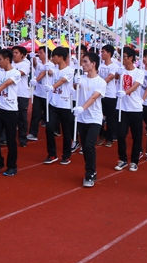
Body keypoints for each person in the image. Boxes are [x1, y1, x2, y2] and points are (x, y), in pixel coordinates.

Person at [72, 52, 106, 187]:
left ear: (93, 64)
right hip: (82, 119)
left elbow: (93, 97)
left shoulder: (101, 82)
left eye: (85, 62)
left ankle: (90, 173)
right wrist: (75, 83)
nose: (83, 64)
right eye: (82, 61)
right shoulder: (81, 78)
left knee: (89, 145)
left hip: (94, 118)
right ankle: (90, 169)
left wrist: (82, 108)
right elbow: (75, 89)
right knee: (85, 147)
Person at [0, 48, 21, 176]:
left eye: (0, 59)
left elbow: (6, 84)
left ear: (7, 59)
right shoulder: (0, 72)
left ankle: (12, 166)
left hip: (10, 111)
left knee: (11, 140)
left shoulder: (15, 73)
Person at [114, 46, 145, 172]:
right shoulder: (121, 70)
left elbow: (136, 85)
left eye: (124, 57)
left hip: (135, 108)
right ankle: (122, 159)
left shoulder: (139, 72)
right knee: (121, 135)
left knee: (136, 136)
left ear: (131, 58)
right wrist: (118, 73)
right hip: (122, 108)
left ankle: (134, 161)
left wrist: (125, 93)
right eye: (121, 57)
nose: (122, 59)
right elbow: (116, 78)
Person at [43, 47, 74, 165]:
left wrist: (52, 87)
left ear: (61, 57)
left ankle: (66, 155)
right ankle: (52, 154)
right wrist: (45, 67)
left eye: (54, 56)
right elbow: (49, 72)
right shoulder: (54, 69)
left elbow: (62, 81)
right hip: (53, 104)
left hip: (65, 105)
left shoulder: (69, 71)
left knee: (66, 131)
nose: (52, 59)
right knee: (49, 128)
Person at [98, 45, 120, 146]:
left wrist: (98, 84)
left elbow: (109, 77)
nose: (102, 54)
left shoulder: (114, 66)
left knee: (110, 118)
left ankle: (109, 138)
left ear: (109, 53)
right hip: (100, 94)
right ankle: (102, 134)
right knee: (99, 116)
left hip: (110, 94)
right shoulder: (100, 65)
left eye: (103, 52)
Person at [28, 46, 50, 142]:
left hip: (47, 94)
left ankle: (51, 131)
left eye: (41, 52)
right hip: (38, 93)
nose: (39, 54)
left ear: (46, 54)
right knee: (35, 114)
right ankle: (33, 133)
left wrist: (36, 80)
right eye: (38, 52)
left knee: (48, 115)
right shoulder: (39, 63)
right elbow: (35, 65)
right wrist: (32, 57)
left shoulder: (50, 65)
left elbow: (44, 73)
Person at [12, 46, 32, 148]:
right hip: (11, 94)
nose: (14, 54)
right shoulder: (10, 64)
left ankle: (22, 139)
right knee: (10, 117)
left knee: (22, 118)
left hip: (22, 95)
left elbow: (20, 73)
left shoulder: (25, 64)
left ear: (22, 55)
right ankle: (6, 138)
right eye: (13, 52)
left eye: (16, 53)